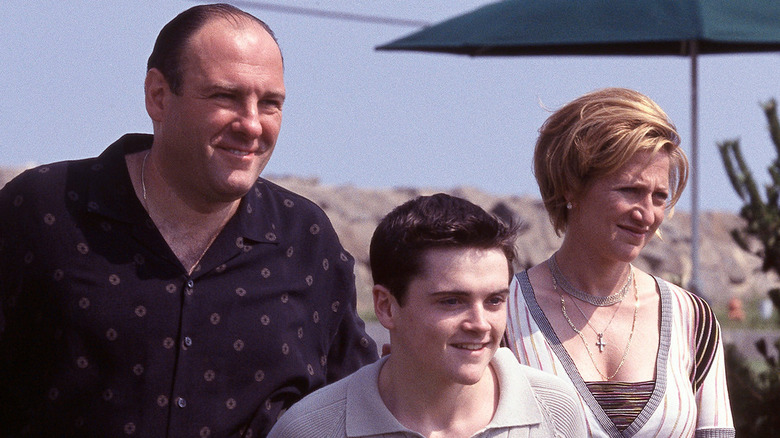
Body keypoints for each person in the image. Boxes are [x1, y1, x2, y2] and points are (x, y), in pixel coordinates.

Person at [0, 4, 378, 437]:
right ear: (158, 96)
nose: (252, 124)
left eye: (270, 104)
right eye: (225, 96)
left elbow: (355, 406)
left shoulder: (304, 239)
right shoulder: (43, 211)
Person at [504, 88, 734, 437]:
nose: (647, 214)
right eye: (630, 191)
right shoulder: (503, 312)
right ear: (570, 187)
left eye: (659, 197)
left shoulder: (692, 319)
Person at [268, 193, 587, 438]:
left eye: (494, 301)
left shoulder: (555, 410)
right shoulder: (310, 429)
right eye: (452, 301)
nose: (480, 324)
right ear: (385, 306)